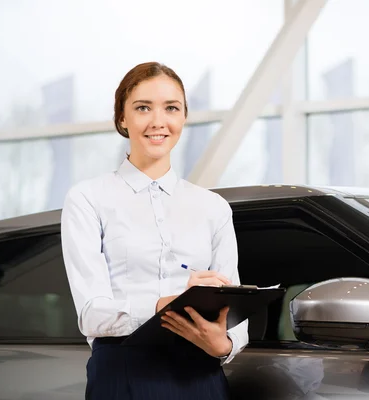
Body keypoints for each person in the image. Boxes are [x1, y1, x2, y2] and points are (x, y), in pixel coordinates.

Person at [61, 61, 249, 399]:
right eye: (143, 108)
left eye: (171, 108)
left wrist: (225, 345)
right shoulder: (87, 198)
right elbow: (91, 314)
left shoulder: (214, 208)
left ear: (183, 118)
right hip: (123, 374)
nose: (158, 122)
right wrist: (165, 304)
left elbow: (234, 307)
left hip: (202, 377)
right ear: (122, 118)